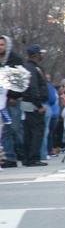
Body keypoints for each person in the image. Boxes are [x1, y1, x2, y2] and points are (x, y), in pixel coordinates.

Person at [20, 44, 49, 167]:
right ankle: (33, 158)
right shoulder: (32, 68)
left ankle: (27, 158)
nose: (42, 55)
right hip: (33, 104)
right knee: (36, 131)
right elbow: (33, 87)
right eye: (40, 53)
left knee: (28, 131)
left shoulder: (29, 67)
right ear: (36, 54)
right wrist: (39, 105)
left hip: (28, 103)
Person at [0, 35, 25, 167]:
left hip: (12, 100)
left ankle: (20, 151)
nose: (0, 47)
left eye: (2, 45)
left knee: (14, 128)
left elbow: (21, 80)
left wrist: (14, 96)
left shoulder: (15, 59)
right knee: (4, 130)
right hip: (1, 101)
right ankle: (9, 157)